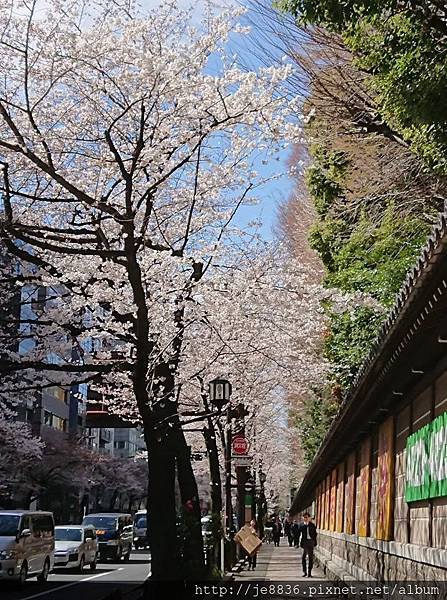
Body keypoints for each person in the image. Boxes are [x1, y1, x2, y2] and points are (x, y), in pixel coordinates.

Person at [297, 512, 317, 578]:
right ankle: (304, 572)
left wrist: (314, 542)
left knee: (311, 557)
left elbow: (315, 534)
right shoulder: (301, 525)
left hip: (310, 542)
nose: (305, 519)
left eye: (307, 517)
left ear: (309, 518)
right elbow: (298, 532)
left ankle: (309, 572)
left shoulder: (312, 525)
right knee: (303, 557)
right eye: (304, 517)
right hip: (304, 542)